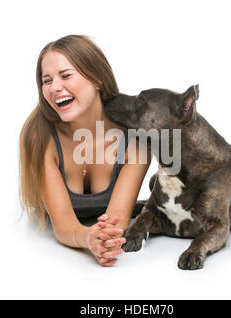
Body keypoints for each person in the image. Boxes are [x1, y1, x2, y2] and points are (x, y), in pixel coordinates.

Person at [19, 35, 151, 267]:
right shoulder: (40, 136)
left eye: (66, 75)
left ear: (97, 79)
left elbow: (115, 222)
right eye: (46, 80)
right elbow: (63, 225)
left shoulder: (135, 140)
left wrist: (105, 240)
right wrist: (89, 239)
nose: (55, 88)